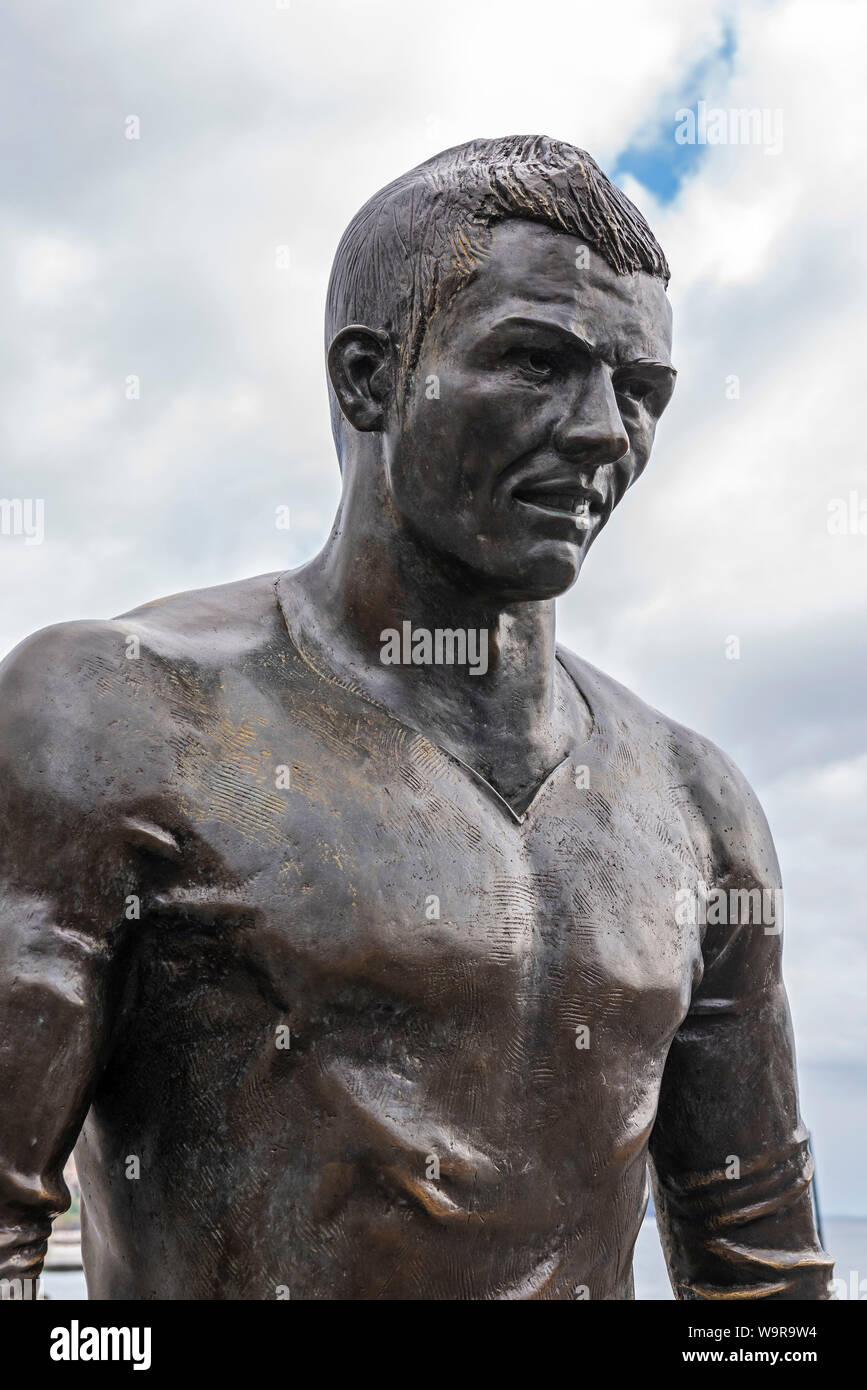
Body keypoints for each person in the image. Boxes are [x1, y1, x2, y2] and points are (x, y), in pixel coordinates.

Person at [0, 136, 832, 1300]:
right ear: (368, 378)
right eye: (536, 362)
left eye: (640, 390)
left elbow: (761, 1276)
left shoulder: (698, 810)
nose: (603, 432)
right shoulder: (120, 714)